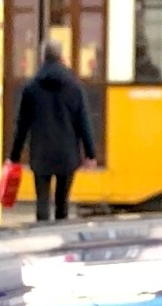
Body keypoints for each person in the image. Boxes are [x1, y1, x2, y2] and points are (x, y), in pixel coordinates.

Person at [8, 37, 97, 223]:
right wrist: (91, 153)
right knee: (62, 203)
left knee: (42, 203)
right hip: (67, 154)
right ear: (62, 57)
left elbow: (22, 125)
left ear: (42, 58)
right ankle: (60, 239)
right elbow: (83, 122)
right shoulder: (74, 87)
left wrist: (14, 156)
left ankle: (42, 239)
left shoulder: (31, 88)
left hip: (41, 153)